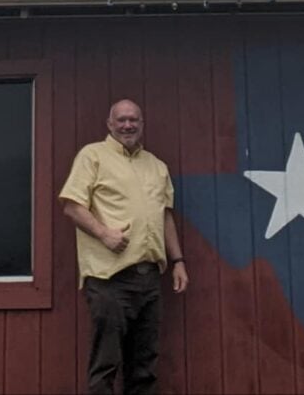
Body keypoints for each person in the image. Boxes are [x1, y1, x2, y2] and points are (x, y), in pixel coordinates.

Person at [59, 99, 188, 394]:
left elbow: (164, 215)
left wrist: (178, 260)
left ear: (142, 124)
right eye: (121, 120)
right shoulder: (92, 156)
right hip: (108, 278)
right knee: (106, 363)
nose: (128, 125)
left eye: (134, 120)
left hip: (150, 278)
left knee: (144, 366)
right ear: (109, 124)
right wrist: (104, 234)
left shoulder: (157, 166)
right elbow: (71, 205)